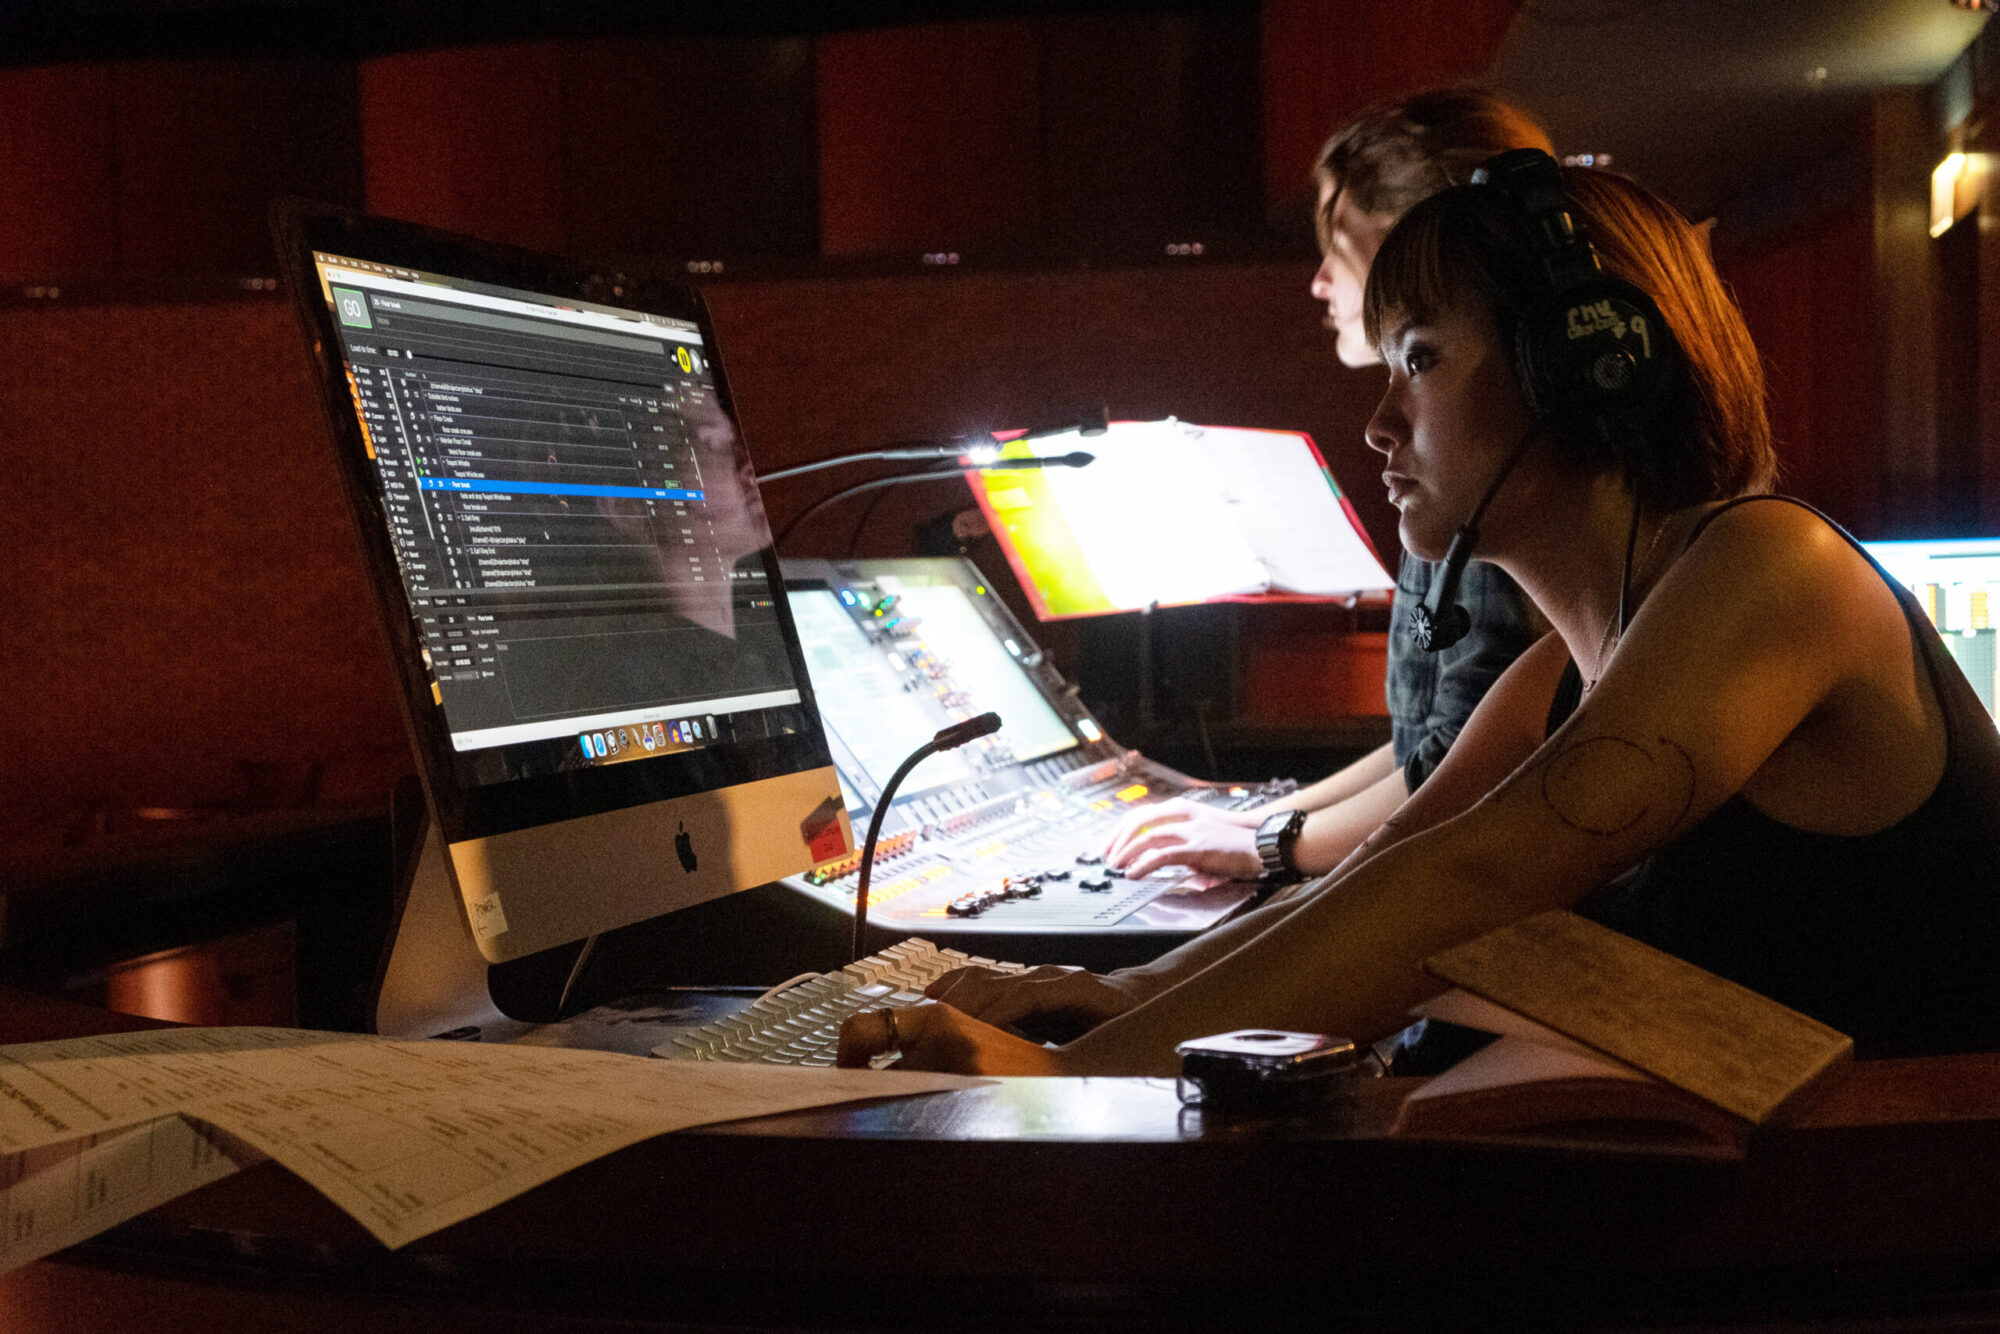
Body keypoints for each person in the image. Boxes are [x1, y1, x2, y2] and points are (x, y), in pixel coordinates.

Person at [838, 153, 2000, 1075]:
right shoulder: (1559, 668)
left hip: (1903, 1220)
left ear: (1582, 366)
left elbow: (1481, 877)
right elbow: (1395, 866)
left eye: (1421, 358)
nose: (1378, 423)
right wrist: (1124, 995)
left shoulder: (1770, 565)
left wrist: (1075, 1083)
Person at [1105, 89, 1546, 884]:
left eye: (1334, 242)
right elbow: (1434, 742)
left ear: (1417, 232)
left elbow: (1463, 777)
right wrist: (1268, 821)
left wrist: (1268, 845)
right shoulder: (1447, 458)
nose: (1316, 282)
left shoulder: (1486, 466)